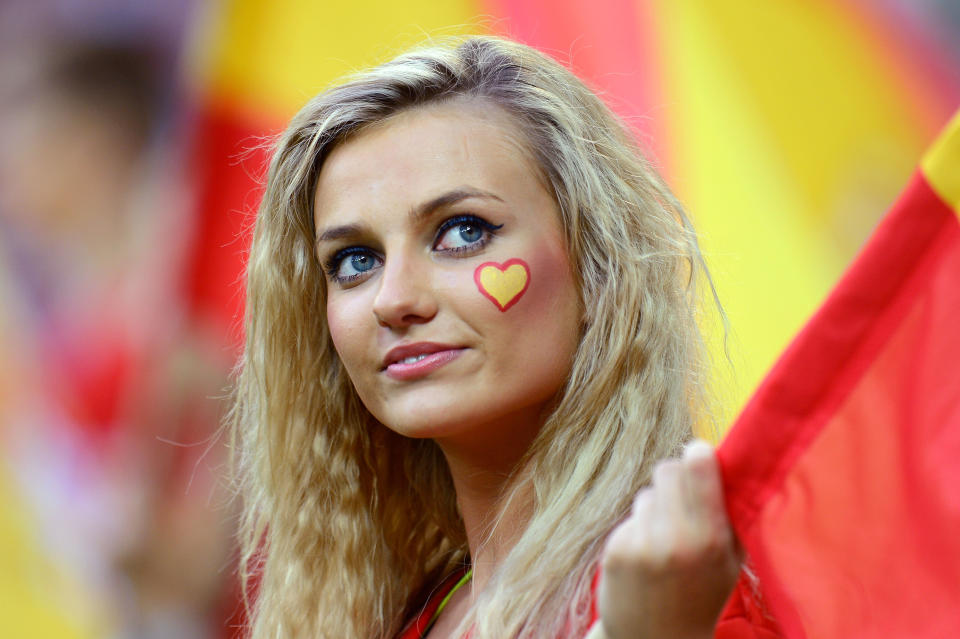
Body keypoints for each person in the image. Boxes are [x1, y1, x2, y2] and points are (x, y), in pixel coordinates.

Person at [230, 36, 777, 639]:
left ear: (599, 267)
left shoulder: (686, 608)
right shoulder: (410, 616)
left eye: (463, 231)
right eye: (356, 260)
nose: (394, 300)